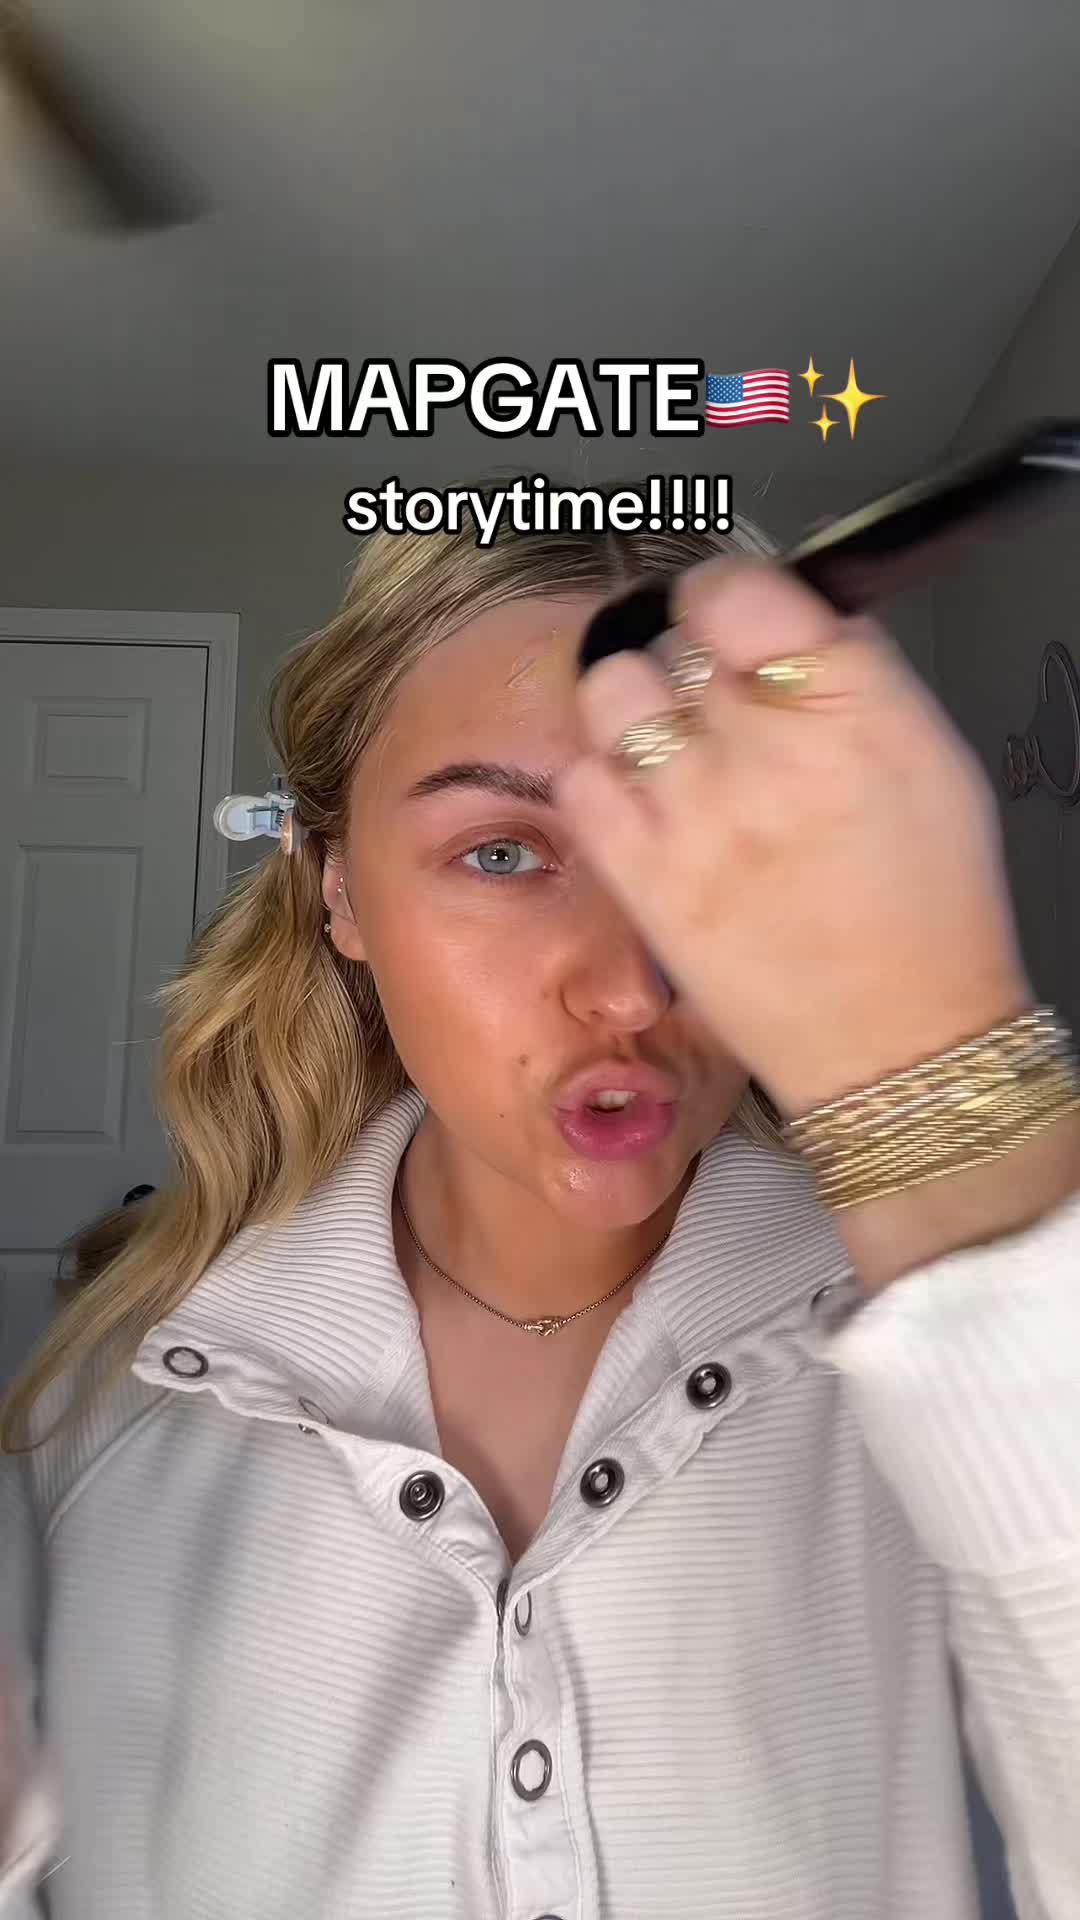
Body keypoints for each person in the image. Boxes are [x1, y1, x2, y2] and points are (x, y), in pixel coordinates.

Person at [1, 497, 1078, 1920]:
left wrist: (964, 1132)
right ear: (340, 894)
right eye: (503, 853)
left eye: (695, 847)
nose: (628, 989)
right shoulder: (97, 1426)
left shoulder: (974, 1365)